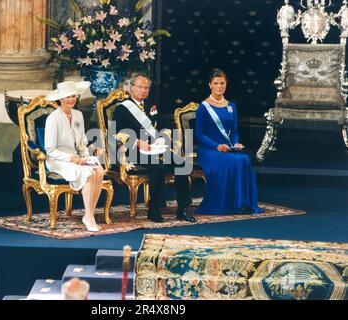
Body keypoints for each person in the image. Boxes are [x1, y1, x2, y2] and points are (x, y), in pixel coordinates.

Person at [112, 73, 196, 223]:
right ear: (132, 88)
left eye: (146, 88)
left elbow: (163, 123)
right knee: (158, 167)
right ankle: (154, 209)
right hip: (134, 150)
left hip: (156, 147)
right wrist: (138, 142)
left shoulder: (151, 105)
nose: (143, 90)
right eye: (140, 87)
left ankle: (183, 209)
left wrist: (163, 136)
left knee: (182, 164)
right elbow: (118, 133)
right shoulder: (122, 109)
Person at [195, 69, 264, 215]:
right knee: (232, 161)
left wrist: (236, 144)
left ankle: (243, 203)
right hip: (209, 150)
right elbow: (199, 134)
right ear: (210, 85)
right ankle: (226, 204)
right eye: (216, 83)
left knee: (244, 159)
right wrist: (216, 146)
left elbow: (234, 131)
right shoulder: (203, 107)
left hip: (228, 147)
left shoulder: (231, 106)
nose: (219, 86)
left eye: (222, 83)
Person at [45, 81, 105, 232]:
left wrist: (86, 157)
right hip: (58, 160)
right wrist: (72, 159)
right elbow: (50, 150)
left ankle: (88, 214)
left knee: (99, 170)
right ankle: (89, 216)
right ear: (60, 99)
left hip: (77, 157)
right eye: (67, 97)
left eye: (73, 96)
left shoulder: (78, 115)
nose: (71, 99)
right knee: (89, 173)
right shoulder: (53, 118)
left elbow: (82, 142)